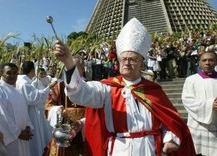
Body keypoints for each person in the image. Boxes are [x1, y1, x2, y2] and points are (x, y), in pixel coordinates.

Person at [53, 18, 195, 156]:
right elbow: (80, 93)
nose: (126, 63)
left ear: (142, 64)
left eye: (132, 59)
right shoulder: (107, 88)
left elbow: (169, 121)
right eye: (123, 59)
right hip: (120, 148)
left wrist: (170, 138)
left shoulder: (154, 90)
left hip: (149, 148)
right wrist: (69, 63)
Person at [0, 63, 33, 156]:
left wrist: (28, 126)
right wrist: (18, 133)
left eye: (15, 73)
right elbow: (0, 116)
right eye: (9, 73)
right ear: (2, 73)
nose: (12, 75)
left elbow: (24, 111)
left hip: (24, 135)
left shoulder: (17, 91)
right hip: (11, 138)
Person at [45, 56, 85, 156]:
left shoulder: (90, 87)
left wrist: (82, 122)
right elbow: (48, 105)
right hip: (64, 128)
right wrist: (57, 110)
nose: (74, 72)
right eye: (70, 68)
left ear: (83, 69)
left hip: (84, 128)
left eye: (76, 68)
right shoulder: (59, 87)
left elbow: (96, 109)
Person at [16, 61, 56, 156]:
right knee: (33, 141)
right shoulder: (24, 83)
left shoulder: (21, 80)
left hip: (25, 112)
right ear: (32, 70)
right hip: (30, 114)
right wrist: (49, 87)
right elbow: (35, 98)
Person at [182, 51, 217, 156]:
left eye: (211, 60)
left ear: (216, 62)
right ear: (199, 63)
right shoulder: (191, 80)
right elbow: (187, 100)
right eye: (204, 60)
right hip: (198, 126)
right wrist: (210, 105)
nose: (207, 63)